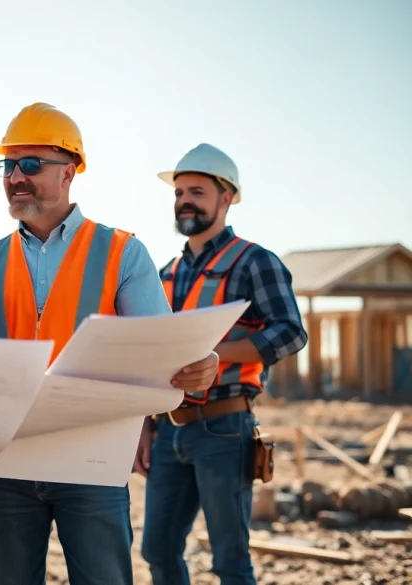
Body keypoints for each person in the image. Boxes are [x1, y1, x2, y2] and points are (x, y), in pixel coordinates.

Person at [0, 104, 220, 585]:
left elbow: (160, 354)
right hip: (4, 467)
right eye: (8, 165)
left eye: (31, 164)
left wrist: (198, 364)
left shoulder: (122, 252)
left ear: (70, 171)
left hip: (91, 462)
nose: (16, 176)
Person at [141, 144, 308, 585]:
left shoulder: (254, 261)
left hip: (224, 429)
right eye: (178, 193)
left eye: (196, 191)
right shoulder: (164, 272)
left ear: (226, 197)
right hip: (168, 431)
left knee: (229, 561)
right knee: (157, 551)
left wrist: (217, 354)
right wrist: (145, 425)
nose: (184, 201)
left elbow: (291, 332)